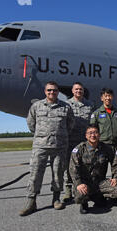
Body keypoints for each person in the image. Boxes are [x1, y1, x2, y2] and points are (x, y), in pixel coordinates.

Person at [19, 81, 74, 216]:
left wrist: (60, 135)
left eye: (54, 90)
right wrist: (42, 135)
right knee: (35, 174)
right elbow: (31, 124)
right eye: (49, 90)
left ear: (58, 92)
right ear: (45, 91)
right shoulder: (36, 106)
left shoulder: (65, 107)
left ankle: (56, 198)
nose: (52, 93)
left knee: (58, 174)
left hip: (59, 146)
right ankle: (31, 201)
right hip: (41, 146)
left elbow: (70, 125)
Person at [69, 125, 113, 214]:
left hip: (100, 183)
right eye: (90, 133)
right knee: (80, 193)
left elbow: (115, 164)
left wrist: (115, 177)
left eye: (95, 132)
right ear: (86, 135)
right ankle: (84, 202)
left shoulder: (106, 148)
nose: (93, 135)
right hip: (85, 183)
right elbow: (73, 168)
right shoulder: (79, 149)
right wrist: (79, 184)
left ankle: (97, 197)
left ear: (99, 135)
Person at [63, 82, 95, 202]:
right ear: (72, 91)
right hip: (71, 140)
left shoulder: (90, 105)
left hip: (85, 141)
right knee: (69, 165)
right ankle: (68, 190)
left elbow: (92, 123)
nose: (78, 91)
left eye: (80, 89)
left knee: (86, 165)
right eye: (76, 89)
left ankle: (86, 188)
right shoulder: (66, 104)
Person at [90, 88, 117, 163]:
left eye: (109, 96)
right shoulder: (97, 113)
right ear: (102, 98)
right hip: (102, 145)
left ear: (112, 97)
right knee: (100, 171)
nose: (108, 98)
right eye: (106, 96)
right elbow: (92, 130)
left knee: (116, 169)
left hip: (115, 146)